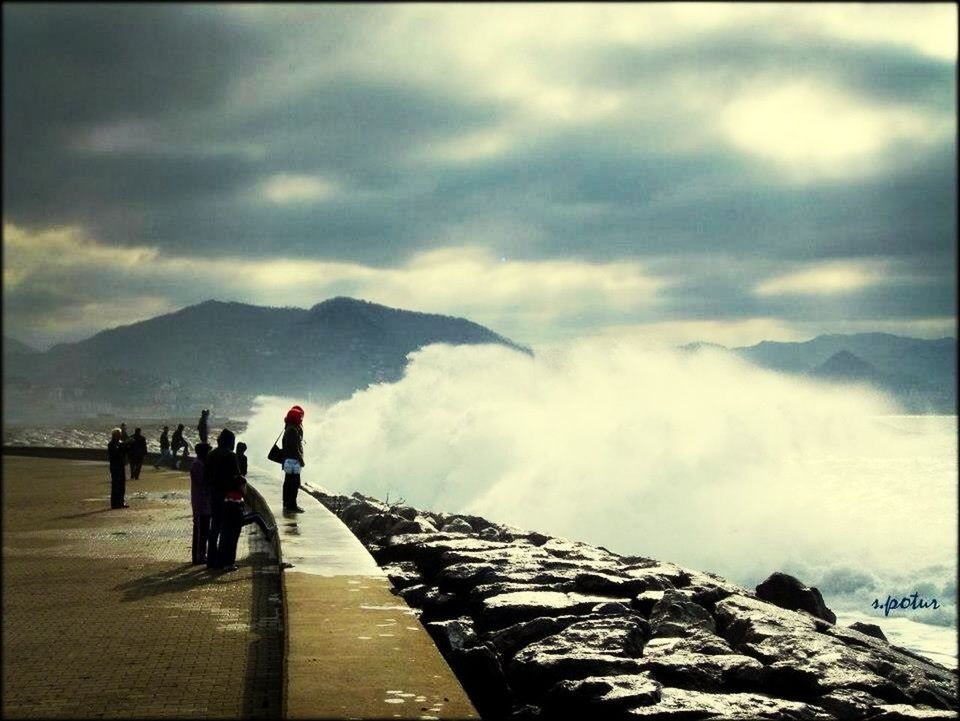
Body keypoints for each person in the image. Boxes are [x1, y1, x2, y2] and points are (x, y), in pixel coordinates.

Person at [205, 428, 243, 571]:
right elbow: (236, 477)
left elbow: (206, 477)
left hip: (214, 495)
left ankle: (211, 560)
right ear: (230, 442)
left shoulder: (211, 455)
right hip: (228, 498)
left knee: (214, 528)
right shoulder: (230, 456)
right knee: (229, 531)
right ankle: (224, 562)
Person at [235, 441, 276, 541]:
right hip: (236, 519)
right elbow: (244, 471)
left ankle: (267, 532)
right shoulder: (243, 458)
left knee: (256, 514)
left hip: (234, 516)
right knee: (256, 515)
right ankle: (267, 532)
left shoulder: (233, 457)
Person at [190, 443, 212, 565]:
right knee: (200, 531)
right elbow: (202, 481)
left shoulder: (200, 463)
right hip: (200, 503)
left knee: (204, 530)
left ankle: (201, 555)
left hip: (204, 503)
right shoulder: (197, 465)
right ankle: (198, 557)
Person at [281, 405, 305, 513]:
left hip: (288, 460)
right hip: (293, 462)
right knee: (294, 483)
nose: (301, 419)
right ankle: (292, 505)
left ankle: (287, 504)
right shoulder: (293, 430)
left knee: (288, 483)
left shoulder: (288, 427)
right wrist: (301, 460)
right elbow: (295, 448)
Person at [107, 428, 128, 509]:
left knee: (122, 485)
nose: (120, 436)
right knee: (116, 485)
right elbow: (116, 453)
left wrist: (127, 444)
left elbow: (124, 452)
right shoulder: (111, 444)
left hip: (121, 465)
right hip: (115, 466)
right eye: (119, 434)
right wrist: (123, 445)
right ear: (115, 435)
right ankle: (115, 503)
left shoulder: (119, 443)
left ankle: (121, 502)